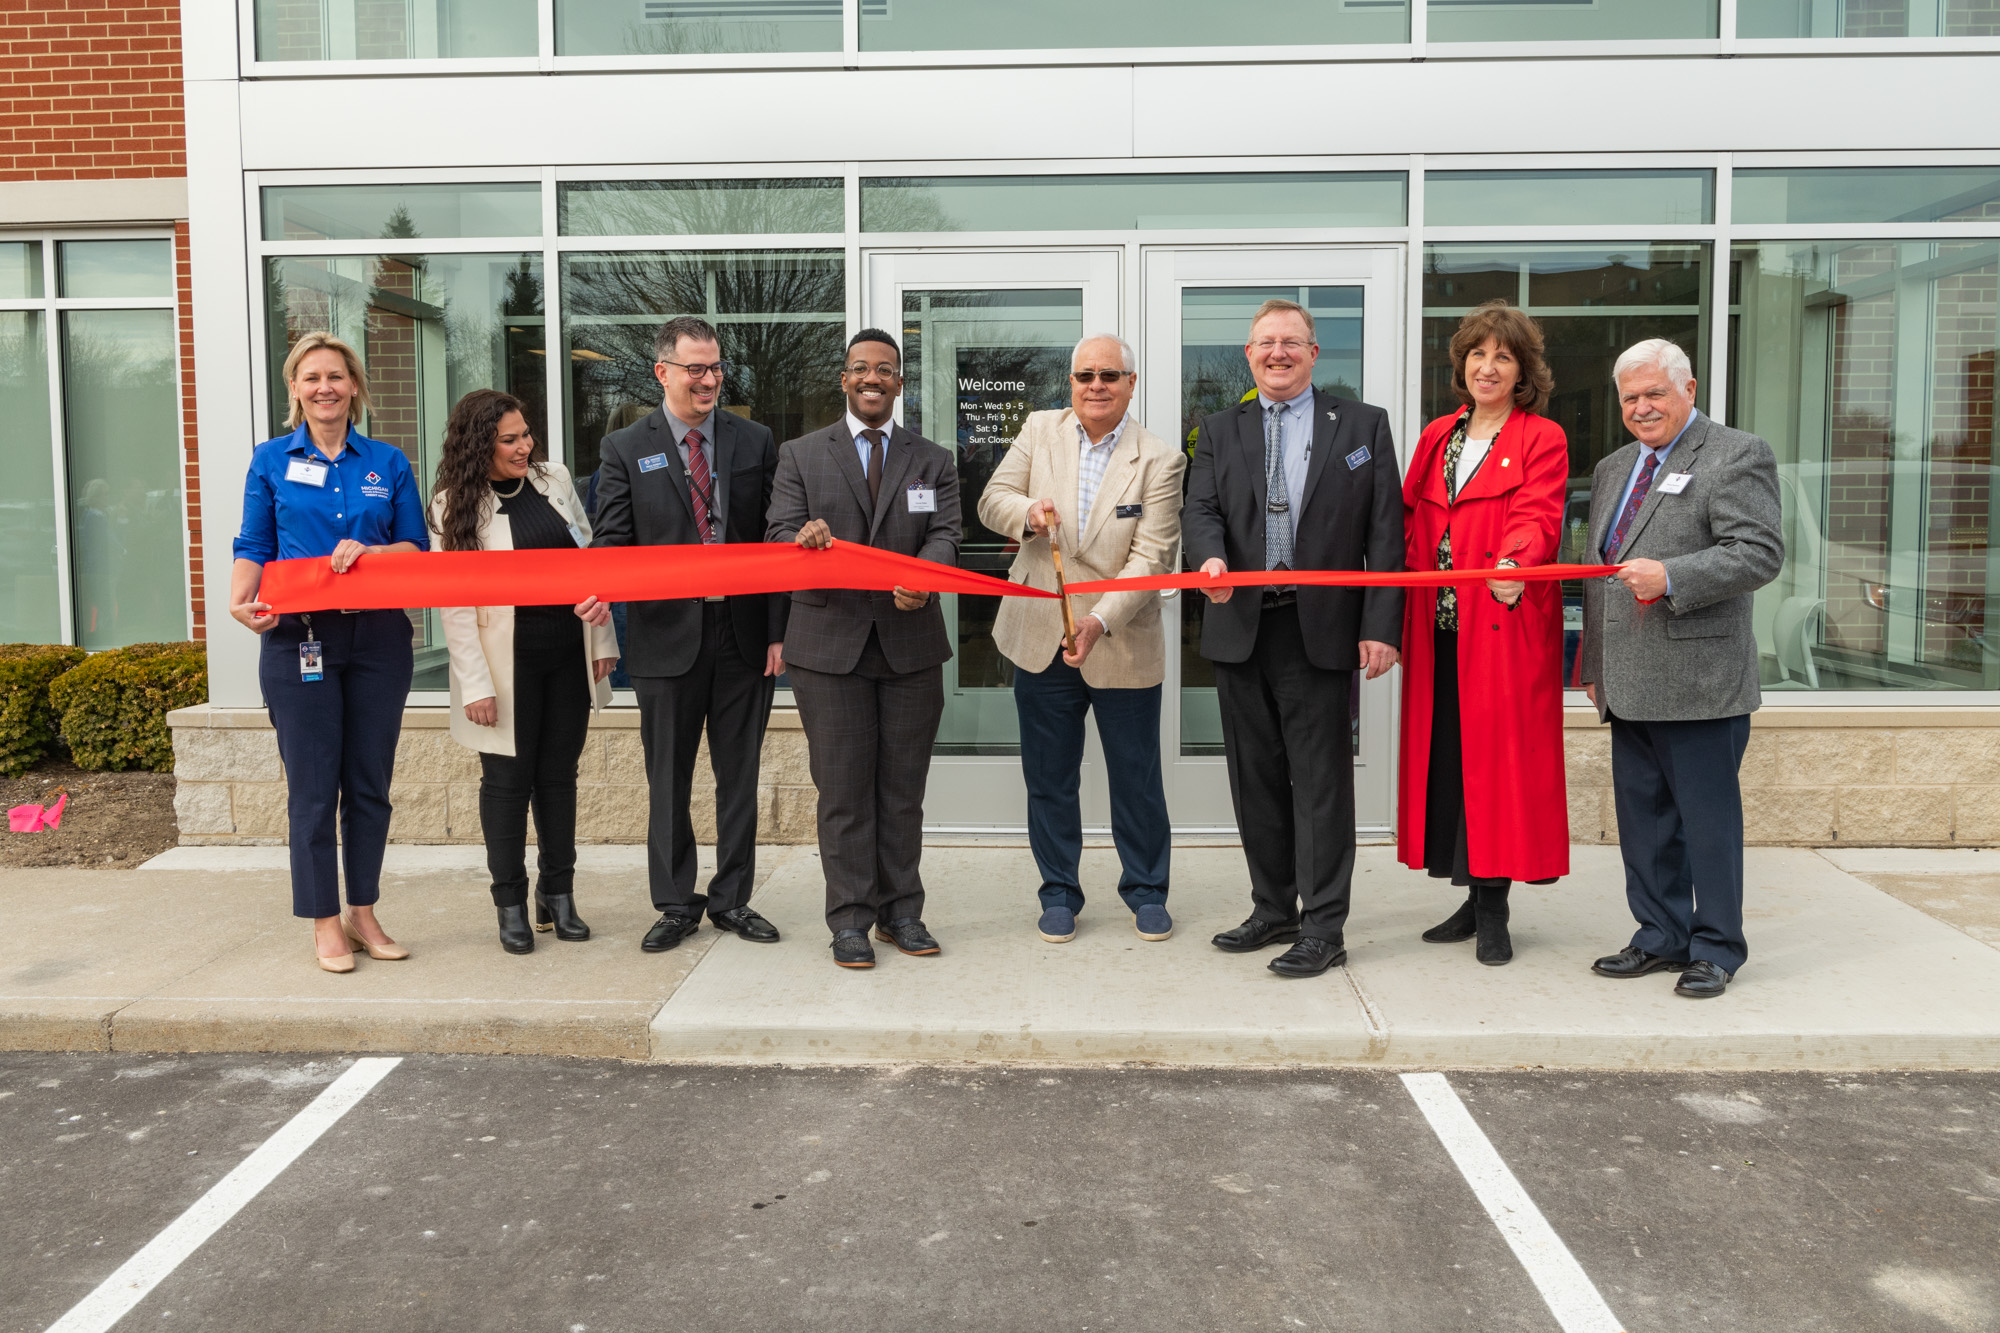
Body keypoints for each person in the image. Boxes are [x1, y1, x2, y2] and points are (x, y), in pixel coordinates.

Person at [1184, 298, 1405, 979]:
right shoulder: (1220, 429)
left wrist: (1380, 627)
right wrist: (1211, 557)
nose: (1278, 353)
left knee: (1320, 785)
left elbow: (1385, 534)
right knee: (1256, 783)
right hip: (1243, 624)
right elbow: (1202, 508)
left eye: (1292, 342)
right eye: (1265, 343)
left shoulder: (1363, 425)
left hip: (1324, 630)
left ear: (1314, 353)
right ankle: (1272, 905)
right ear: (1248, 356)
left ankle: (1324, 925)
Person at [1580, 338, 1783, 999]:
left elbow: (1757, 553)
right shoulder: (1614, 468)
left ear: (1688, 390)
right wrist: (1593, 662)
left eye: (1654, 394)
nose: (1641, 408)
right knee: (1645, 821)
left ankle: (1717, 947)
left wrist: (1672, 576)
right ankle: (1660, 935)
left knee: (1706, 823)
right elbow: (1598, 574)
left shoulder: (1734, 454)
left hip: (1701, 684)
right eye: (1630, 397)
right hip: (1629, 682)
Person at [583, 316, 787, 954]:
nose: (709, 379)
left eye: (716, 367)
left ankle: (732, 900)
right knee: (668, 778)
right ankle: (675, 903)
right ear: (661, 371)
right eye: (696, 368)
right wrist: (600, 590)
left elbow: (775, 543)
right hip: (665, 639)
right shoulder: (623, 448)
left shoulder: (755, 441)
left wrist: (779, 632)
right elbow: (612, 540)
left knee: (739, 775)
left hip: (744, 635)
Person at [228, 331, 429, 973]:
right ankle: (323, 920)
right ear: (294, 388)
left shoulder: (387, 463)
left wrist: (371, 554)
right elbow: (253, 543)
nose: (325, 388)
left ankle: (363, 911)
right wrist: (241, 602)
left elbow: (416, 549)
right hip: (299, 637)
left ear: (355, 387)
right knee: (314, 788)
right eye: (311, 377)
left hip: (377, 639)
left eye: (336, 377)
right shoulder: (269, 460)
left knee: (369, 784)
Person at [976, 334, 1186, 945]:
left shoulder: (1159, 459)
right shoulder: (1040, 430)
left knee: (1136, 777)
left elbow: (1152, 558)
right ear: (1071, 380)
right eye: (1085, 375)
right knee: (1049, 777)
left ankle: (1147, 891)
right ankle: (1059, 892)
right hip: (1040, 636)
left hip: (1120, 639)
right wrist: (1027, 516)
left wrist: (1099, 621)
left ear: (1131, 383)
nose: (1096, 385)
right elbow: (992, 500)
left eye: (1110, 376)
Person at [767, 328, 961, 970]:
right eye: (859, 369)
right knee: (845, 792)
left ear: (900, 383)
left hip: (910, 646)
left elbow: (946, 534)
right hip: (829, 649)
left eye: (885, 369)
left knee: (903, 791)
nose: (872, 378)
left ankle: (902, 913)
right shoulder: (801, 453)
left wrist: (926, 578)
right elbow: (779, 530)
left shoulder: (932, 458)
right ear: (844, 380)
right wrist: (804, 536)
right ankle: (849, 919)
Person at [1397, 300, 1570, 967]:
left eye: (1503, 356)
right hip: (1438, 629)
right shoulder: (1439, 434)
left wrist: (1514, 562)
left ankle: (1494, 907)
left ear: (1523, 370)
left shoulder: (1538, 437)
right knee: (1450, 763)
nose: (1488, 367)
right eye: (1478, 354)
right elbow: (1410, 518)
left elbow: (1537, 515)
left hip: (1500, 626)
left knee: (1494, 764)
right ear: (1461, 363)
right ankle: (1470, 894)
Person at [431, 389, 621, 955]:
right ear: (478, 445)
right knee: (508, 787)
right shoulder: (452, 504)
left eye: (526, 434)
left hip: (567, 653)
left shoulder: (554, 478)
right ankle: (509, 902)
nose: (525, 446)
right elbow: (454, 601)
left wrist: (602, 637)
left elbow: (589, 560)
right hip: (502, 665)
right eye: (509, 439)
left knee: (560, 779)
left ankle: (557, 895)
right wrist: (474, 684)